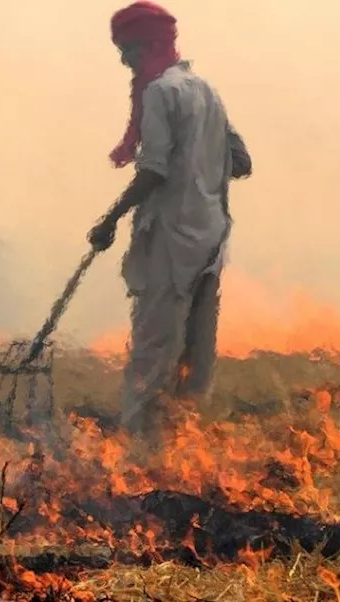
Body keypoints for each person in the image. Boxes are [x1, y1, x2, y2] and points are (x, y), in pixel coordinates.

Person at [87, 1, 252, 442]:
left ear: (151, 46)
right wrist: (202, 161)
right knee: (195, 358)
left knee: (153, 352)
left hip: (172, 240)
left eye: (130, 50)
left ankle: (140, 454)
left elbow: (154, 169)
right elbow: (242, 160)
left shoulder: (160, 92)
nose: (125, 60)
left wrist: (109, 221)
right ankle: (182, 451)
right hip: (211, 241)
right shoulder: (206, 91)